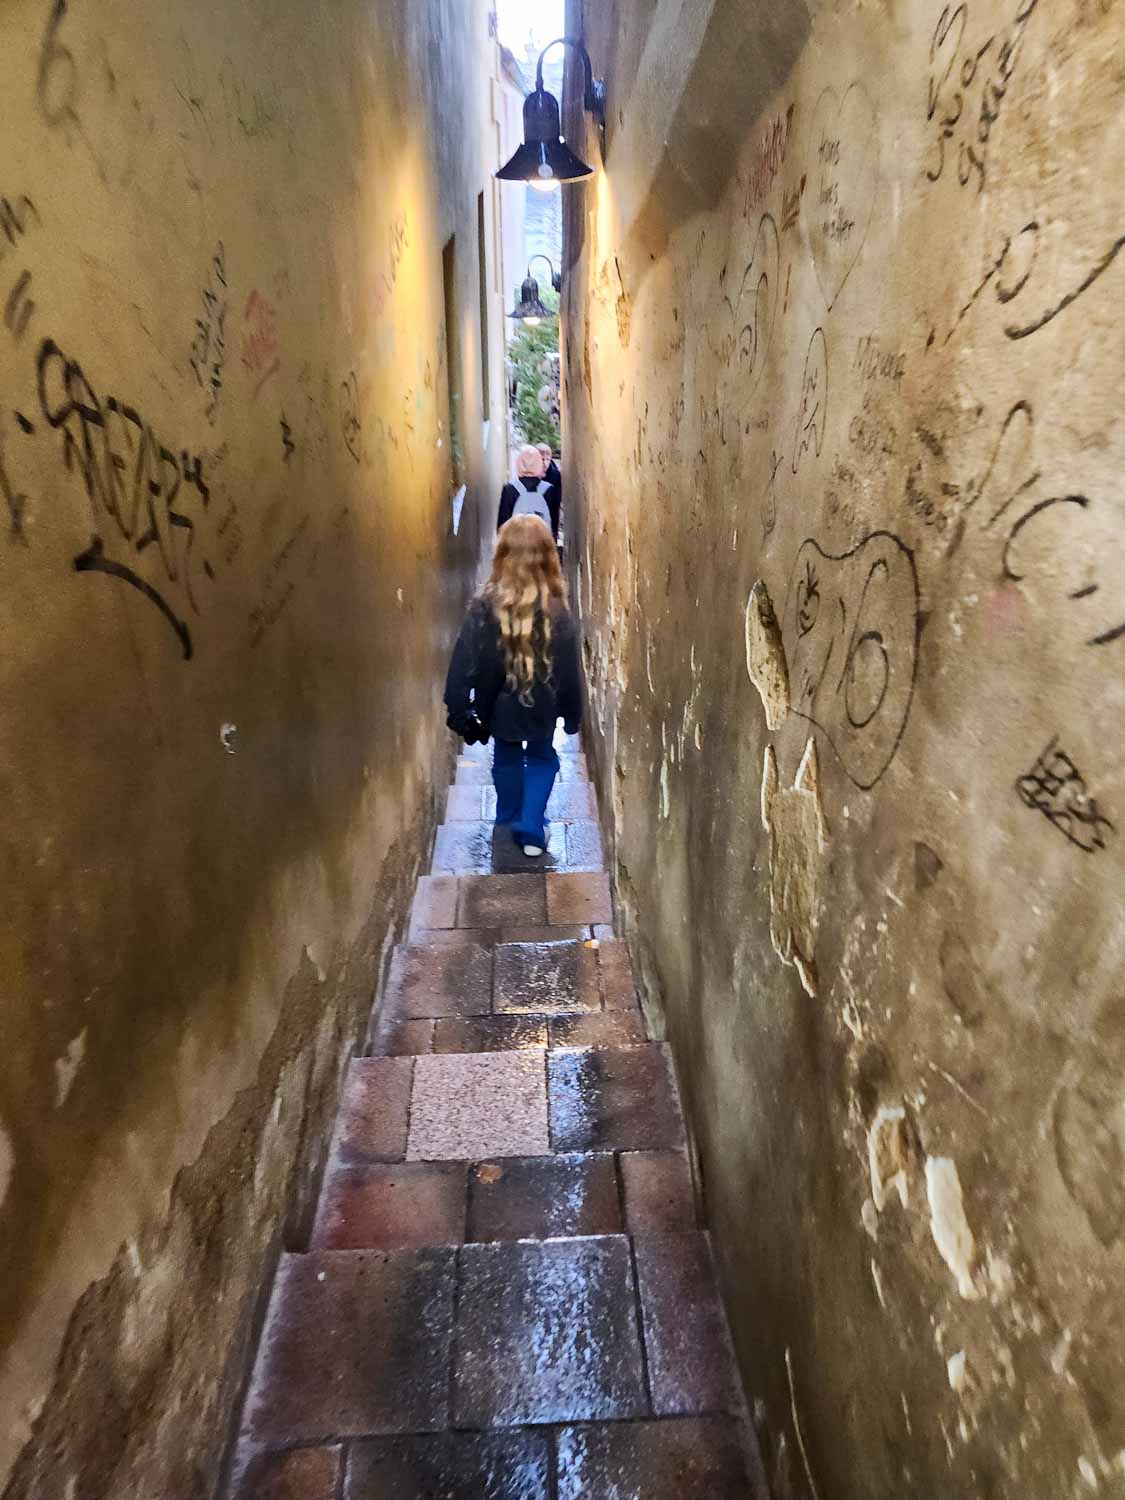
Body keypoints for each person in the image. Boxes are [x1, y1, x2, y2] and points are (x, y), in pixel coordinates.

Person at [444, 514, 583, 857]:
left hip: (500, 705)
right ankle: (531, 824)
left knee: (505, 758)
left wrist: (460, 709)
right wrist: (572, 714)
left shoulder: (483, 606)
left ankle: (507, 817)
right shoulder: (558, 611)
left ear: (503, 554)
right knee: (542, 758)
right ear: (547, 555)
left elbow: (463, 661)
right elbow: (567, 670)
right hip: (543, 705)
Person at [497, 445, 560, 542]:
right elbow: (553, 523)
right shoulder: (549, 489)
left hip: (516, 547)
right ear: (538, 464)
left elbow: (502, 524)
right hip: (542, 545)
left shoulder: (509, 489)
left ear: (519, 463)